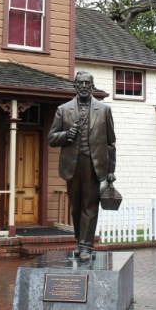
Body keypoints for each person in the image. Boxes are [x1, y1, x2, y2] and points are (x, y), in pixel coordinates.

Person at [48, 71, 116, 261]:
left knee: (90, 206)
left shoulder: (104, 110)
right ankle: (80, 241)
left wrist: (111, 171)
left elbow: (111, 143)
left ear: (92, 86)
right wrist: (66, 135)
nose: (84, 86)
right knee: (76, 207)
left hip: (94, 165)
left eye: (88, 83)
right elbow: (51, 138)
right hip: (72, 165)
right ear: (75, 86)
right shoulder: (64, 109)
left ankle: (86, 246)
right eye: (81, 83)